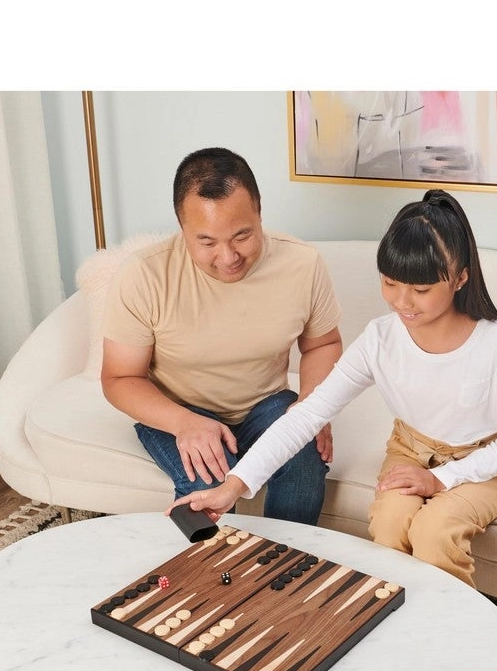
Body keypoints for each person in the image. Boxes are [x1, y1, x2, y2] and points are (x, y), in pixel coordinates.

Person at [166, 188, 497, 588]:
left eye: (422, 289)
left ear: (461, 277)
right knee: (390, 526)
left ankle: (450, 633)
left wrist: (440, 481)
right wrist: (233, 487)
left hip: (486, 460)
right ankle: (400, 618)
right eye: (391, 283)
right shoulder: (380, 339)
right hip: (410, 449)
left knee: (434, 532)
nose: (402, 302)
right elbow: (309, 414)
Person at [101, 147, 343, 525]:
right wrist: (184, 424)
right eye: (207, 242)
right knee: (208, 477)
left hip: (266, 404)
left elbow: (322, 344)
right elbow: (119, 378)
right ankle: (199, 576)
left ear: (260, 213)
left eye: (242, 235)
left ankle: (285, 568)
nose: (228, 256)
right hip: (178, 408)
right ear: (182, 229)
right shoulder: (143, 275)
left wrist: (312, 405)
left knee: (303, 458)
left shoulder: (303, 264)